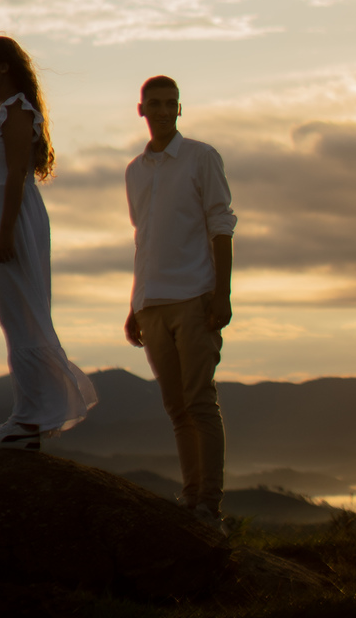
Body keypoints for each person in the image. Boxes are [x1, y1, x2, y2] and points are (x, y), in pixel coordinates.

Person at [0, 34, 97, 449]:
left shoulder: (17, 112)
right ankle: (28, 417)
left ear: (5, 67)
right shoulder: (2, 113)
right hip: (1, 226)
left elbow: (17, 175)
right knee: (14, 319)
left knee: (24, 318)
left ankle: (30, 421)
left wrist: (4, 230)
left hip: (16, 223)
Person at [124, 75, 236, 532]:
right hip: (153, 304)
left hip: (194, 297)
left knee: (199, 402)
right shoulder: (135, 171)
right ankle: (191, 501)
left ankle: (209, 503)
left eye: (172, 103)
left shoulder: (201, 157)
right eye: (156, 103)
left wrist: (222, 293)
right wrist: (135, 303)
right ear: (142, 110)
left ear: (180, 109)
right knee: (176, 408)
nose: (165, 110)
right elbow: (144, 239)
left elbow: (221, 225)